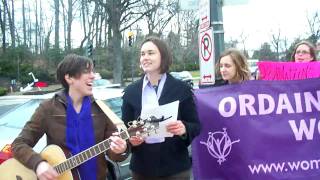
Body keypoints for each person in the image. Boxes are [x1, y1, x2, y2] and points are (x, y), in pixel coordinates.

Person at [12, 54, 128, 180]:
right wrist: (38, 164)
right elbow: (19, 144)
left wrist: (120, 149)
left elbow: (115, 154)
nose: (93, 76)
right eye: (86, 72)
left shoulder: (101, 109)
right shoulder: (48, 108)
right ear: (69, 77)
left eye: (92, 71)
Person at [121, 36, 201, 179]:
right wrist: (131, 140)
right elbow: (125, 130)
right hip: (142, 170)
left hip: (175, 169)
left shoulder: (181, 89)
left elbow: (196, 126)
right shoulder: (130, 92)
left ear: (163, 56)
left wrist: (184, 128)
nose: (145, 57)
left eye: (151, 53)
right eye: (142, 54)